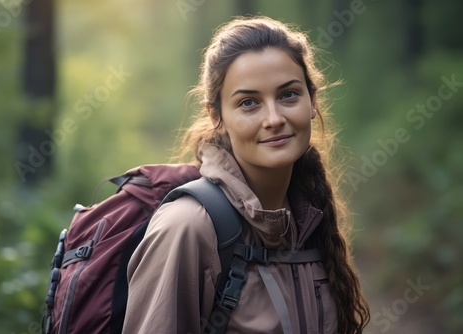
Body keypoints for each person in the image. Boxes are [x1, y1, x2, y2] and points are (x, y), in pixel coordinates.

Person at [122, 16, 370, 334]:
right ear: (218, 117)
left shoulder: (310, 219)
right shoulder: (188, 227)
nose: (274, 118)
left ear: (312, 101)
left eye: (288, 95)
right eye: (249, 103)